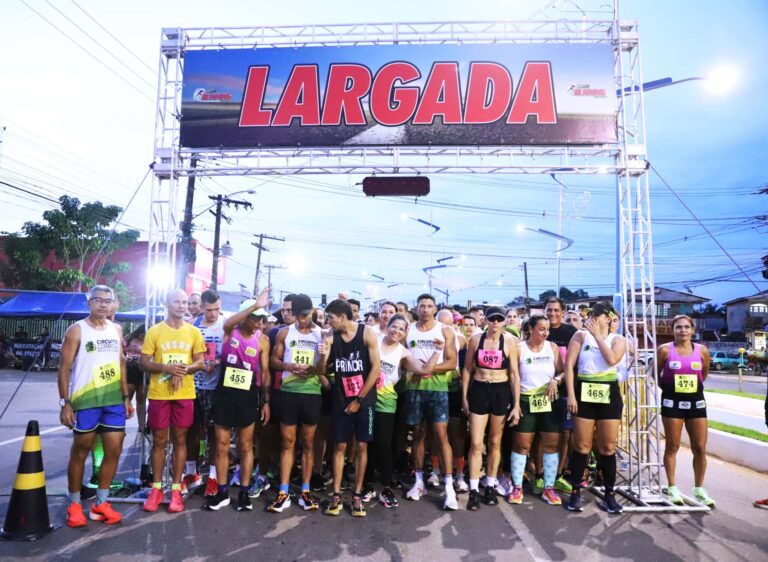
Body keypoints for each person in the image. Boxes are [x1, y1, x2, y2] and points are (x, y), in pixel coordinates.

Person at [58, 285, 133, 527]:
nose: (103, 304)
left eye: (107, 300)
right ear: (89, 302)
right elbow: (63, 368)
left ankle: (101, 503)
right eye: (98, 300)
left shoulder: (117, 329)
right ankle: (75, 505)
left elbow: (121, 364)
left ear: (113, 304)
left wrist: (125, 397)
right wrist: (65, 403)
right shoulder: (76, 330)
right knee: (80, 451)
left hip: (113, 402)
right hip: (86, 402)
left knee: (114, 450)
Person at [140, 289, 206, 513]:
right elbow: (144, 363)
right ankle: (156, 488)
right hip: (159, 394)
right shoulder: (155, 331)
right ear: (167, 304)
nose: (181, 305)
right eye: (177, 302)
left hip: (184, 393)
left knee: (180, 440)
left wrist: (183, 370)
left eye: (184, 302)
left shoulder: (194, 332)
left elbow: (200, 361)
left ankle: (176, 489)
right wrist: (166, 368)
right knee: (159, 441)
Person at [204, 291, 271, 512]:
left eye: (262, 318)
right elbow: (230, 322)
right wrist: (254, 306)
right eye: (255, 317)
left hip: (248, 396)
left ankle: (243, 493)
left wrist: (266, 401)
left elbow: (266, 372)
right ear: (245, 316)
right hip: (225, 394)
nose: (259, 322)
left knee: (244, 446)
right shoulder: (230, 330)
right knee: (221, 446)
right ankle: (222, 492)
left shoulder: (262, 340)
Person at [368, 314, 440, 508]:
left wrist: (437, 351)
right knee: (366, 443)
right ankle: (366, 484)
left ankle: (385, 486)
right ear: (387, 326)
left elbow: (424, 370)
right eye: (394, 327)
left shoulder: (403, 353)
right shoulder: (372, 340)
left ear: (405, 333)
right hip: (366, 399)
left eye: (401, 329)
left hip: (386, 403)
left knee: (383, 444)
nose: (397, 331)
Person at [268, 294, 329, 513]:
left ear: (312, 312)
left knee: (308, 443)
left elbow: (323, 370)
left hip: (311, 393)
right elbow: (274, 361)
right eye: (297, 315)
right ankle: (283, 491)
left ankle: (305, 490)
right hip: (288, 393)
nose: (301, 320)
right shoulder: (285, 332)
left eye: (304, 315)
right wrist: (289, 366)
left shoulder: (321, 334)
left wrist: (320, 358)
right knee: (287, 442)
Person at [564, 301, 627, 514]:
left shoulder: (618, 340)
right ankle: (575, 491)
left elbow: (611, 360)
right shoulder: (580, 336)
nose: (591, 320)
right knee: (581, 445)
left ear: (607, 319)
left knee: (607, 447)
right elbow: (569, 366)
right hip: (584, 390)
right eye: (590, 316)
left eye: (596, 316)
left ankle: (609, 494)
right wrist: (571, 395)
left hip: (608, 392)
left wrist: (599, 337)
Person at [322, 299, 381, 516]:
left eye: (331, 318)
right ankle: (336, 495)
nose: (328, 322)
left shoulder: (367, 333)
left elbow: (375, 370)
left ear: (343, 317)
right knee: (339, 446)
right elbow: (320, 369)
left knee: (363, 446)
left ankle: (357, 495)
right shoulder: (329, 336)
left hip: (364, 400)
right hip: (340, 400)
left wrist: (359, 400)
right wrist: (322, 353)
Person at [462, 306, 520, 510]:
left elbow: (514, 375)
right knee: (477, 443)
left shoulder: (511, 343)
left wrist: (516, 404)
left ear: (504, 321)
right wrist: (464, 397)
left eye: (499, 319)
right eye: (492, 319)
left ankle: (490, 483)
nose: (495, 322)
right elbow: (467, 370)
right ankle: (474, 489)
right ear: (485, 320)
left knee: (495, 442)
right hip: (479, 390)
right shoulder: (475, 341)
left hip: (500, 391)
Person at [404, 294, 459, 509]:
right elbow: (401, 356)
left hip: (437, 389)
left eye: (429, 306)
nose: (425, 309)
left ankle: (449, 488)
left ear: (435, 309)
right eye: (422, 306)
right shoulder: (409, 329)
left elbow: (452, 362)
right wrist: (415, 369)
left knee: (441, 436)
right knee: (418, 434)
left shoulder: (445, 330)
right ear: (416, 308)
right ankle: (419, 482)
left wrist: (428, 369)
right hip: (414, 389)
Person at [657, 315, 715, 507]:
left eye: (686, 327)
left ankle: (699, 489)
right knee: (672, 446)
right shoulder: (664, 350)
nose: (683, 330)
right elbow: (657, 376)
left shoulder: (702, 351)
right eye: (678, 327)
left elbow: (703, 375)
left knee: (699, 447)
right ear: (673, 330)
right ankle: (672, 487)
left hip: (696, 402)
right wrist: (671, 389)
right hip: (672, 402)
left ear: (692, 330)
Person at [509, 315, 563, 506]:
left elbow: (562, 371)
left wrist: (556, 380)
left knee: (551, 445)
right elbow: (514, 377)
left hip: (549, 401)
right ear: (531, 329)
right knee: (522, 446)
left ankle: (549, 487)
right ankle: (517, 487)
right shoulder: (518, 348)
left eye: (547, 329)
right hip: (525, 400)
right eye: (541, 329)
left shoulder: (552, 347)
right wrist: (515, 405)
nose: (545, 333)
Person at [186, 289, 225, 496]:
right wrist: (198, 364)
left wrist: (216, 362)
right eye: (209, 310)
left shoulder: (225, 325)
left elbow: (230, 354)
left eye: (217, 309)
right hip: (192, 386)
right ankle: (191, 473)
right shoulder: (192, 325)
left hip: (215, 387)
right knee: (190, 430)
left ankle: (212, 476)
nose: (213, 314)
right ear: (201, 307)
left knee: (214, 433)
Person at [545, 297, 578, 494]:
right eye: (549, 310)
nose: (552, 314)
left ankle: (559, 473)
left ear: (563, 312)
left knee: (565, 434)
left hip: (566, 389)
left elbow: (573, 364)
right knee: (543, 433)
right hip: (540, 389)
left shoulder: (571, 333)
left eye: (556, 310)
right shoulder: (538, 328)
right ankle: (539, 472)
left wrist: (559, 379)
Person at [436, 308, 469, 494]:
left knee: (457, 434)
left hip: (454, 390)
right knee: (437, 433)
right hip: (435, 387)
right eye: (442, 324)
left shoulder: (461, 339)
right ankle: (435, 471)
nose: (445, 328)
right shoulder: (430, 334)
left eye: (449, 324)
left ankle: (459, 475)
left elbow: (465, 368)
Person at [125, 326, 147, 432]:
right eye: (141, 334)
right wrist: (126, 355)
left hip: (143, 369)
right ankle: (121, 421)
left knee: (141, 398)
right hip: (130, 368)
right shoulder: (129, 338)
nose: (142, 336)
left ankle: (141, 424)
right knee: (127, 396)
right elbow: (120, 349)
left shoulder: (149, 340)